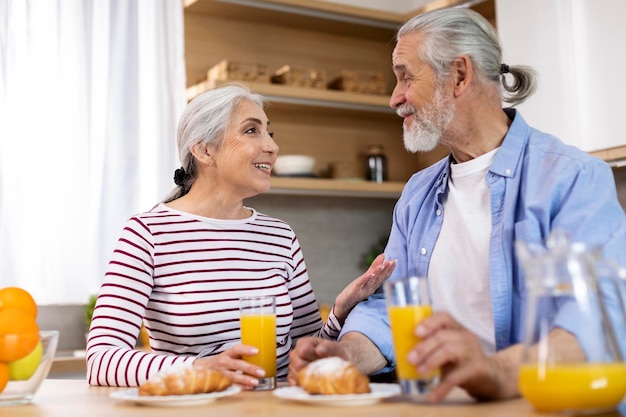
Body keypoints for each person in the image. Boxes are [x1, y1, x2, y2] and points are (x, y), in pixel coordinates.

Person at [288, 7, 626, 402]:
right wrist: (344, 355)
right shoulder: (417, 194)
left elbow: (598, 321)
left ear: (459, 75)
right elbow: (388, 309)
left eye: (405, 76)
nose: (394, 98)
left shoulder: (572, 179)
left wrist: (497, 369)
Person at [85, 83, 396, 389]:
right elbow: (101, 360)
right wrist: (202, 368)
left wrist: (340, 312)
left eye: (269, 133)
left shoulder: (280, 236)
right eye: (251, 130)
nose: (272, 147)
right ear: (204, 149)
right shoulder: (147, 234)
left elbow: (305, 353)